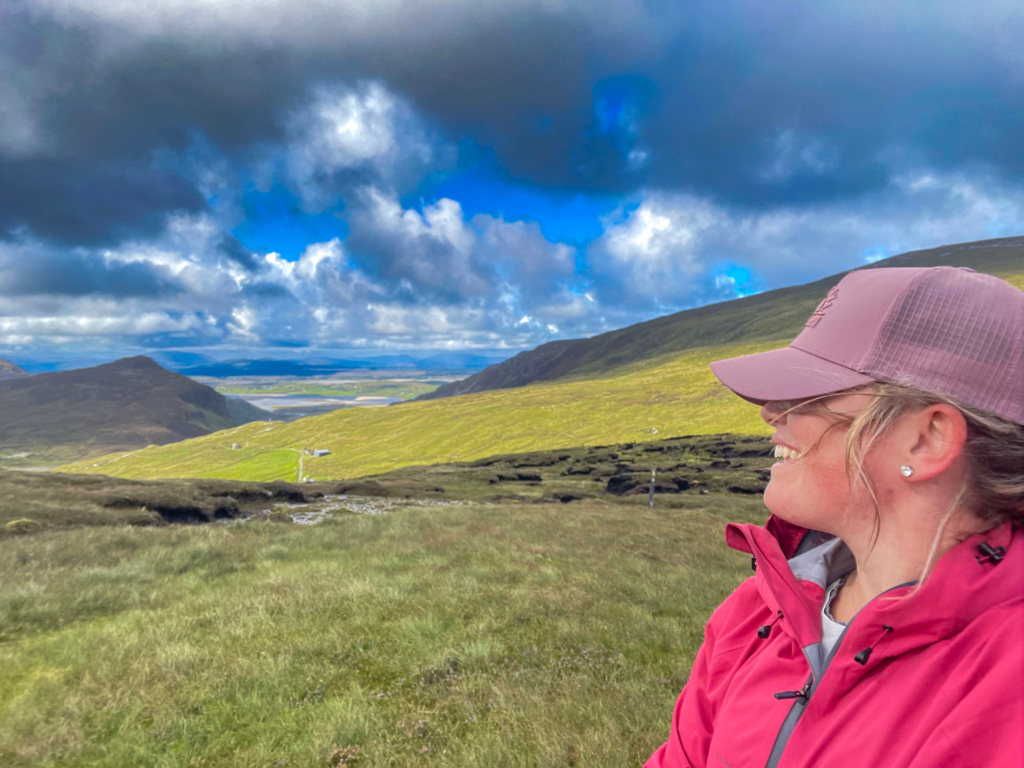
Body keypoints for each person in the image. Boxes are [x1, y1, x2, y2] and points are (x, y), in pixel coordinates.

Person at [645, 266, 1024, 768]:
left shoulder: (1008, 676)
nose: (771, 411)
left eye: (811, 393)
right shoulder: (754, 614)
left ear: (928, 438)